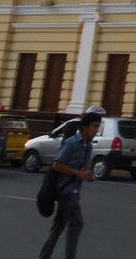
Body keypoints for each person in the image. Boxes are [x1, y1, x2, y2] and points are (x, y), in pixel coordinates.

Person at [39, 110, 101, 259]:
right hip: (66, 190)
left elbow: (83, 167)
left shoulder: (88, 145)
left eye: (98, 126)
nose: (96, 129)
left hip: (74, 189)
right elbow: (57, 165)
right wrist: (79, 174)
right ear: (84, 127)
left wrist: (88, 174)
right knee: (77, 223)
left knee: (58, 226)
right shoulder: (72, 143)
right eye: (94, 126)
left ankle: (44, 256)